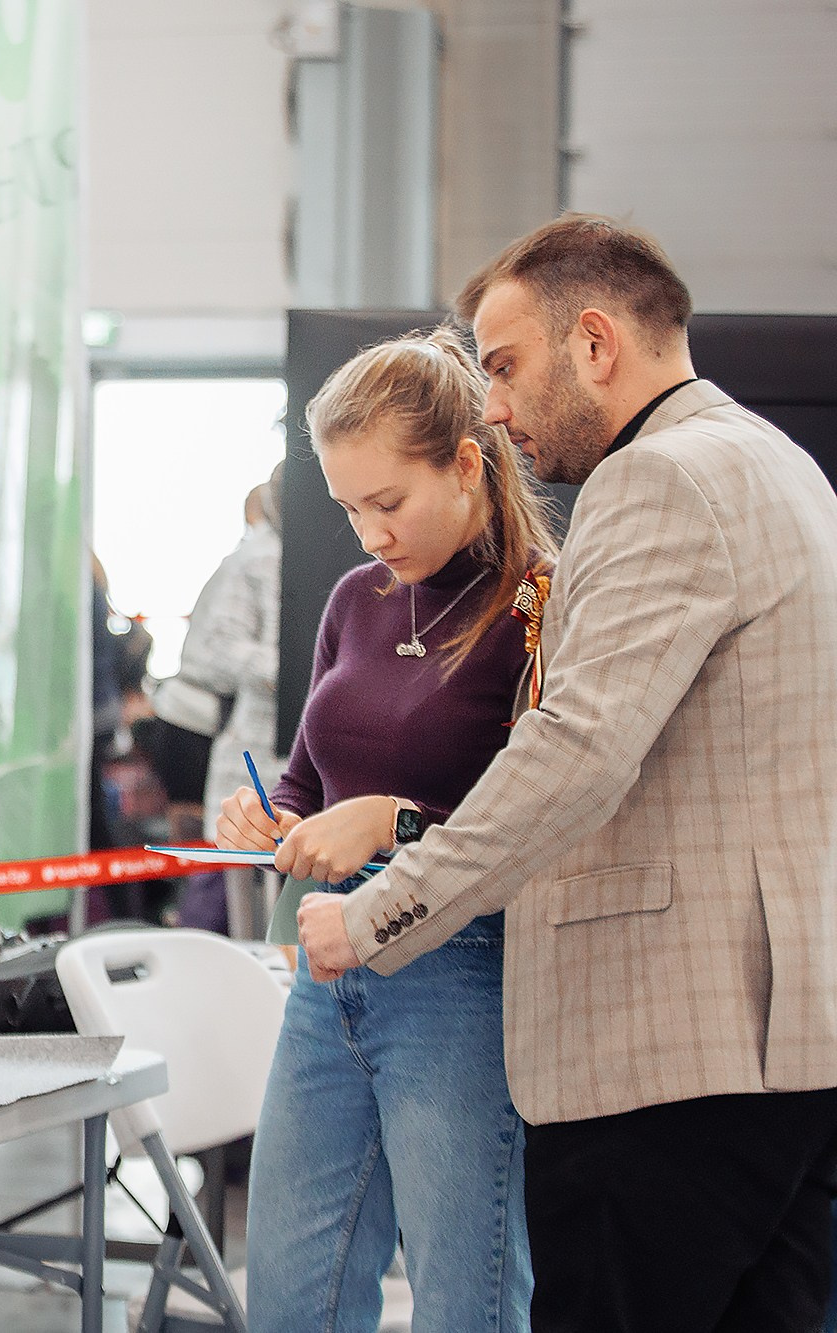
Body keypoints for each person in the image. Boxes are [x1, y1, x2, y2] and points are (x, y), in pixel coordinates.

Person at [287, 215, 837, 1332]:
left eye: (500, 366)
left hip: (663, 1049)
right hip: (780, 1046)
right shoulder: (778, 467)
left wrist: (383, 906)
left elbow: (572, 752)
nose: (488, 404)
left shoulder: (659, 481)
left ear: (591, 344)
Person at [213, 329, 552, 1331]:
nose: (368, 534)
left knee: (465, 1298)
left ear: (462, 463)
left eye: (387, 503)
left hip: (458, 972)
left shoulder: (537, 606)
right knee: (287, 1291)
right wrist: (270, 814)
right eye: (347, 507)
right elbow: (310, 774)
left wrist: (400, 823)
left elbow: (545, 810)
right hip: (326, 971)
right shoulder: (354, 599)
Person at [174, 471, 283, 936]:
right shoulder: (254, 561)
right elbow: (214, 651)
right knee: (220, 894)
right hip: (253, 750)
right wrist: (300, 668)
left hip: (298, 758)